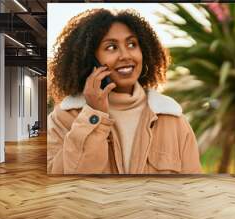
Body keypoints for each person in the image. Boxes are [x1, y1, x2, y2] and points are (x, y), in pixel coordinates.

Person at [47, 8, 202, 174]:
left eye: (131, 44)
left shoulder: (173, 119)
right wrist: (94, 115)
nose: (125, 55)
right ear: (90, 58)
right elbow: (67, 183)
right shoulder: (63, 118)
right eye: (111, 47)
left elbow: (191, 187)